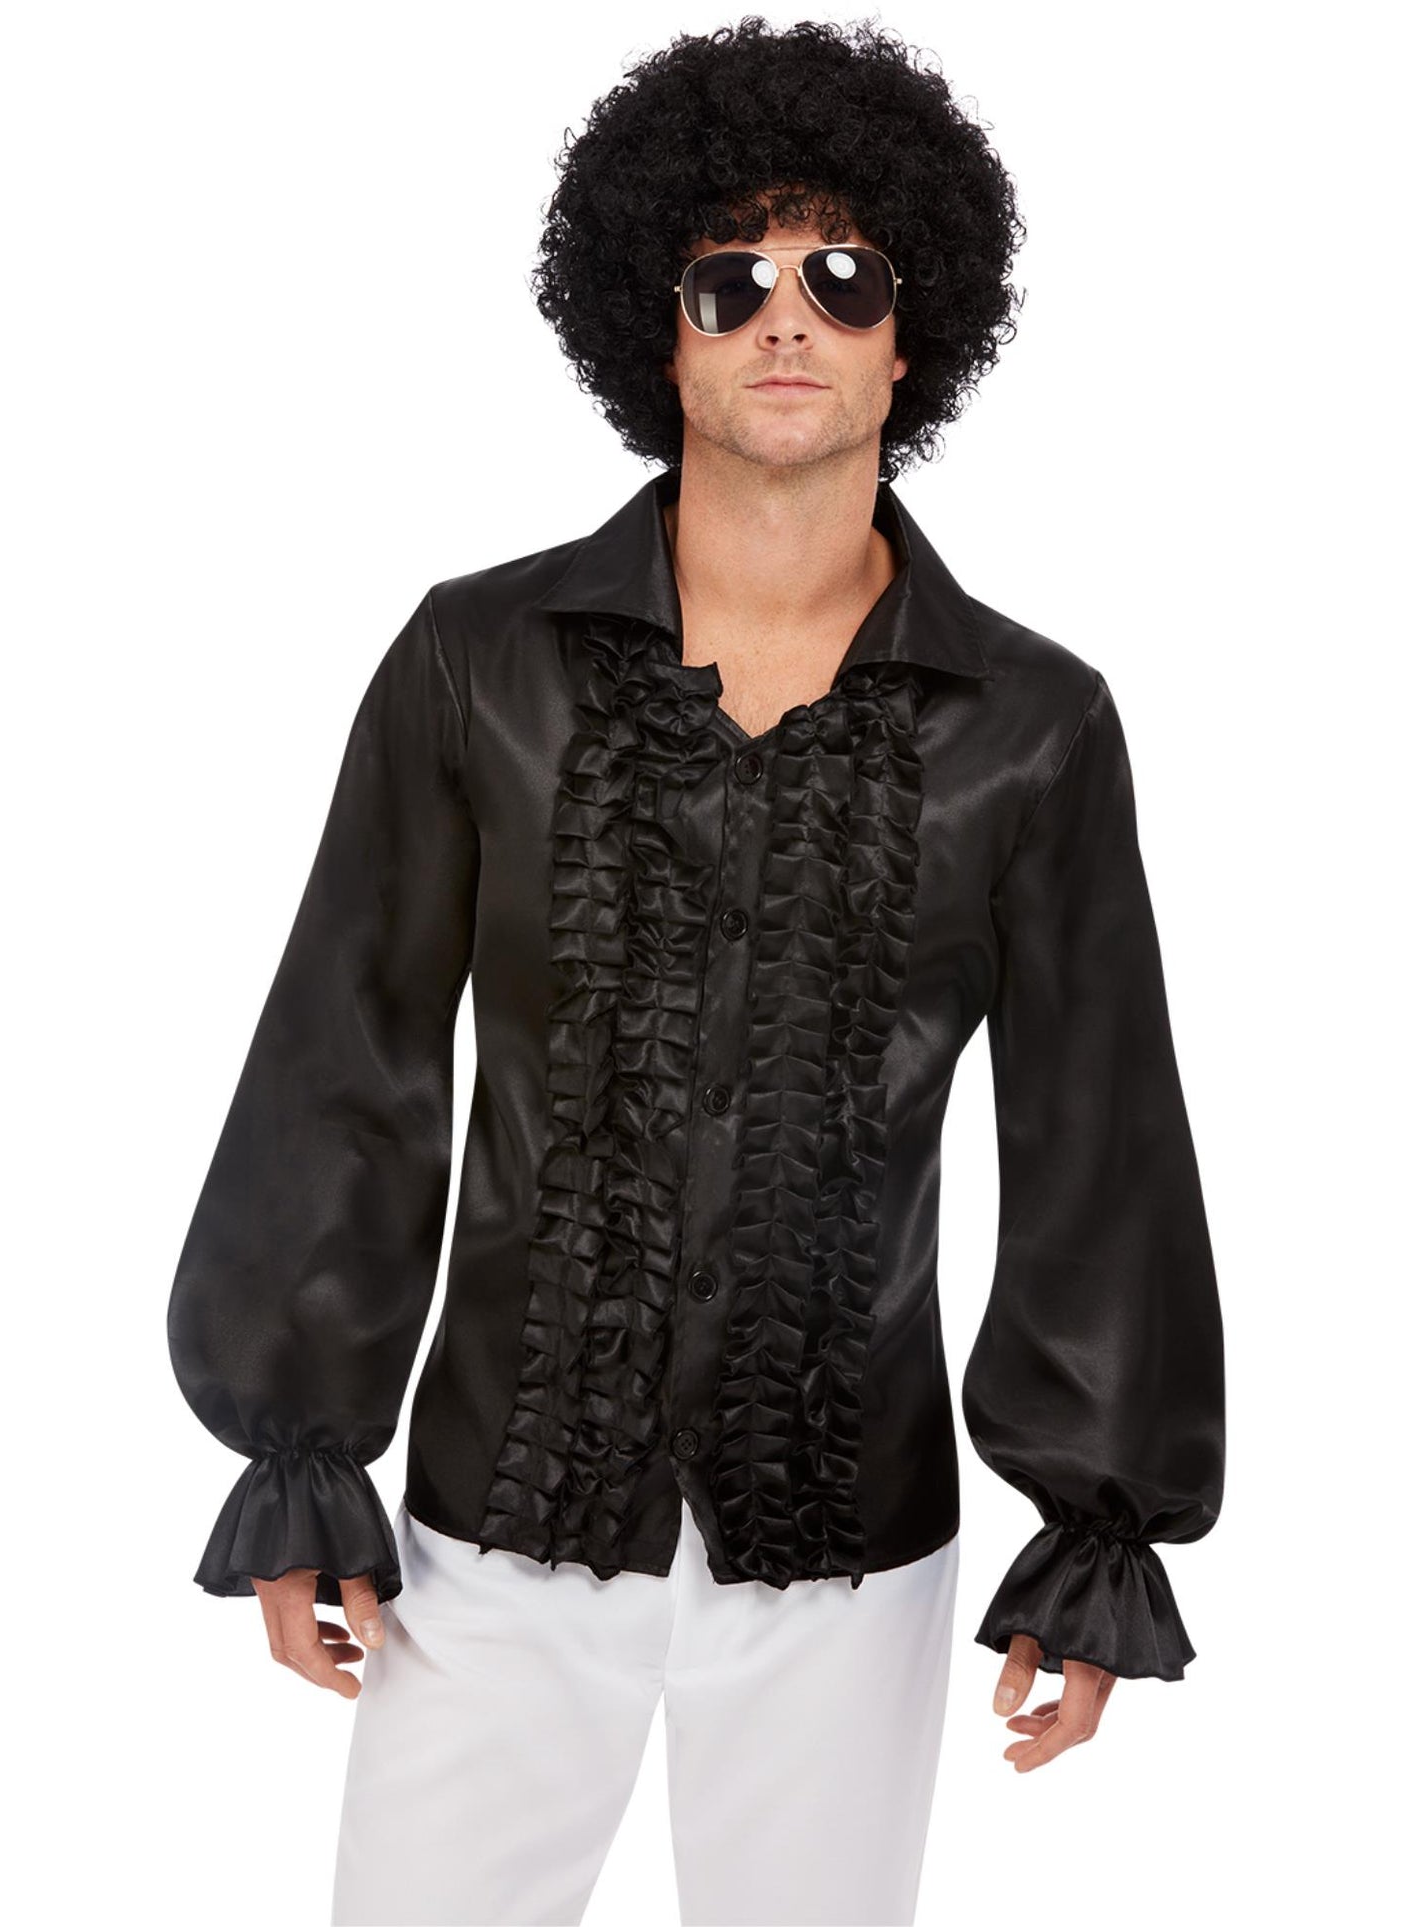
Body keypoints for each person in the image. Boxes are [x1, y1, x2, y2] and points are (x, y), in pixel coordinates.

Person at [166, 17, 1225, 1926]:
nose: (786, 319)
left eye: (844, 277)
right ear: (654, 333)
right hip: (493, 1538)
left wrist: (1098, 1523)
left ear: (910, 333)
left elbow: (1097, 1145)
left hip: (846, 1558)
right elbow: (351, 1056)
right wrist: (304, 1444)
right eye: (729, 278)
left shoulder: (1036, 724)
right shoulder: (474, 661)